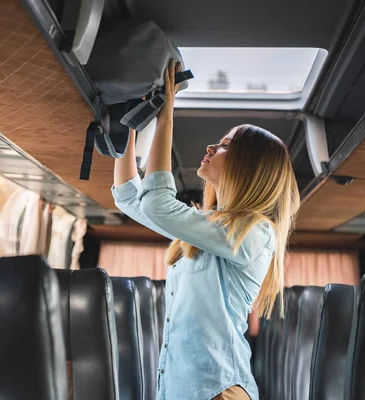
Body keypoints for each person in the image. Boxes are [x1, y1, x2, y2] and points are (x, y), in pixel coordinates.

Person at [111, 59, 300, 400]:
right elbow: (129, 196)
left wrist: (166, 116)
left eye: (225, 145)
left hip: (218, 391)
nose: (211, 148)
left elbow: (157, 203)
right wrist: (129, 127)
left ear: (250, 165)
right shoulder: (206, 227)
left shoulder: (256, 232)